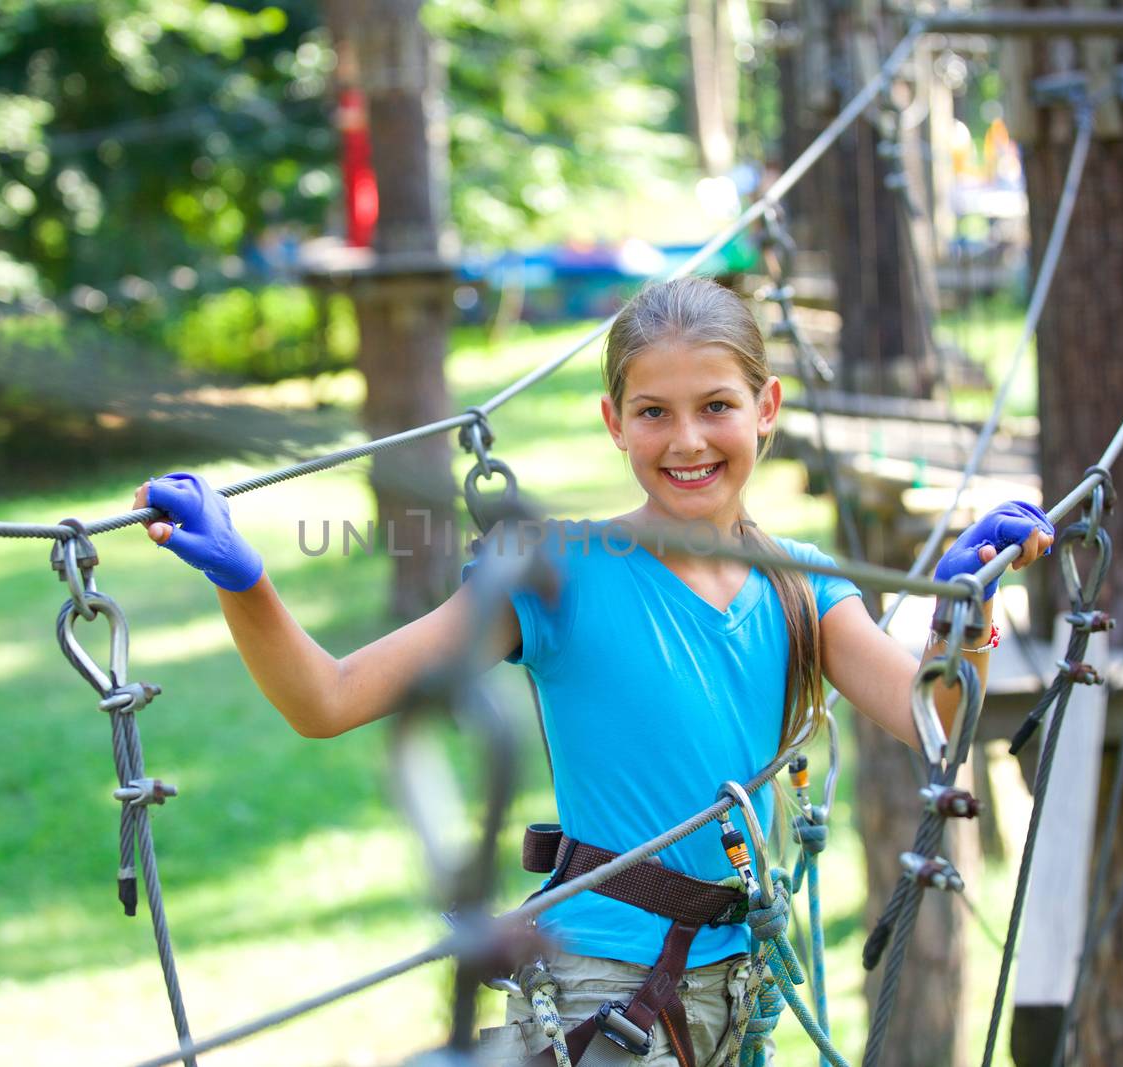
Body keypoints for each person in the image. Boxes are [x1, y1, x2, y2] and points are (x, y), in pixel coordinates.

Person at [133, 276, 1053, 1066]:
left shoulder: (802, 583)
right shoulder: (554, 571)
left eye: (716, 407)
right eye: (654, 412)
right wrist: (245, 581)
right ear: (615, 422)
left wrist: (961, 615)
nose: (686, 440)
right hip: (600, 998)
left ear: (766, 408)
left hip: (736, 988)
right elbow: (327, 699)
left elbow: (930, 716)